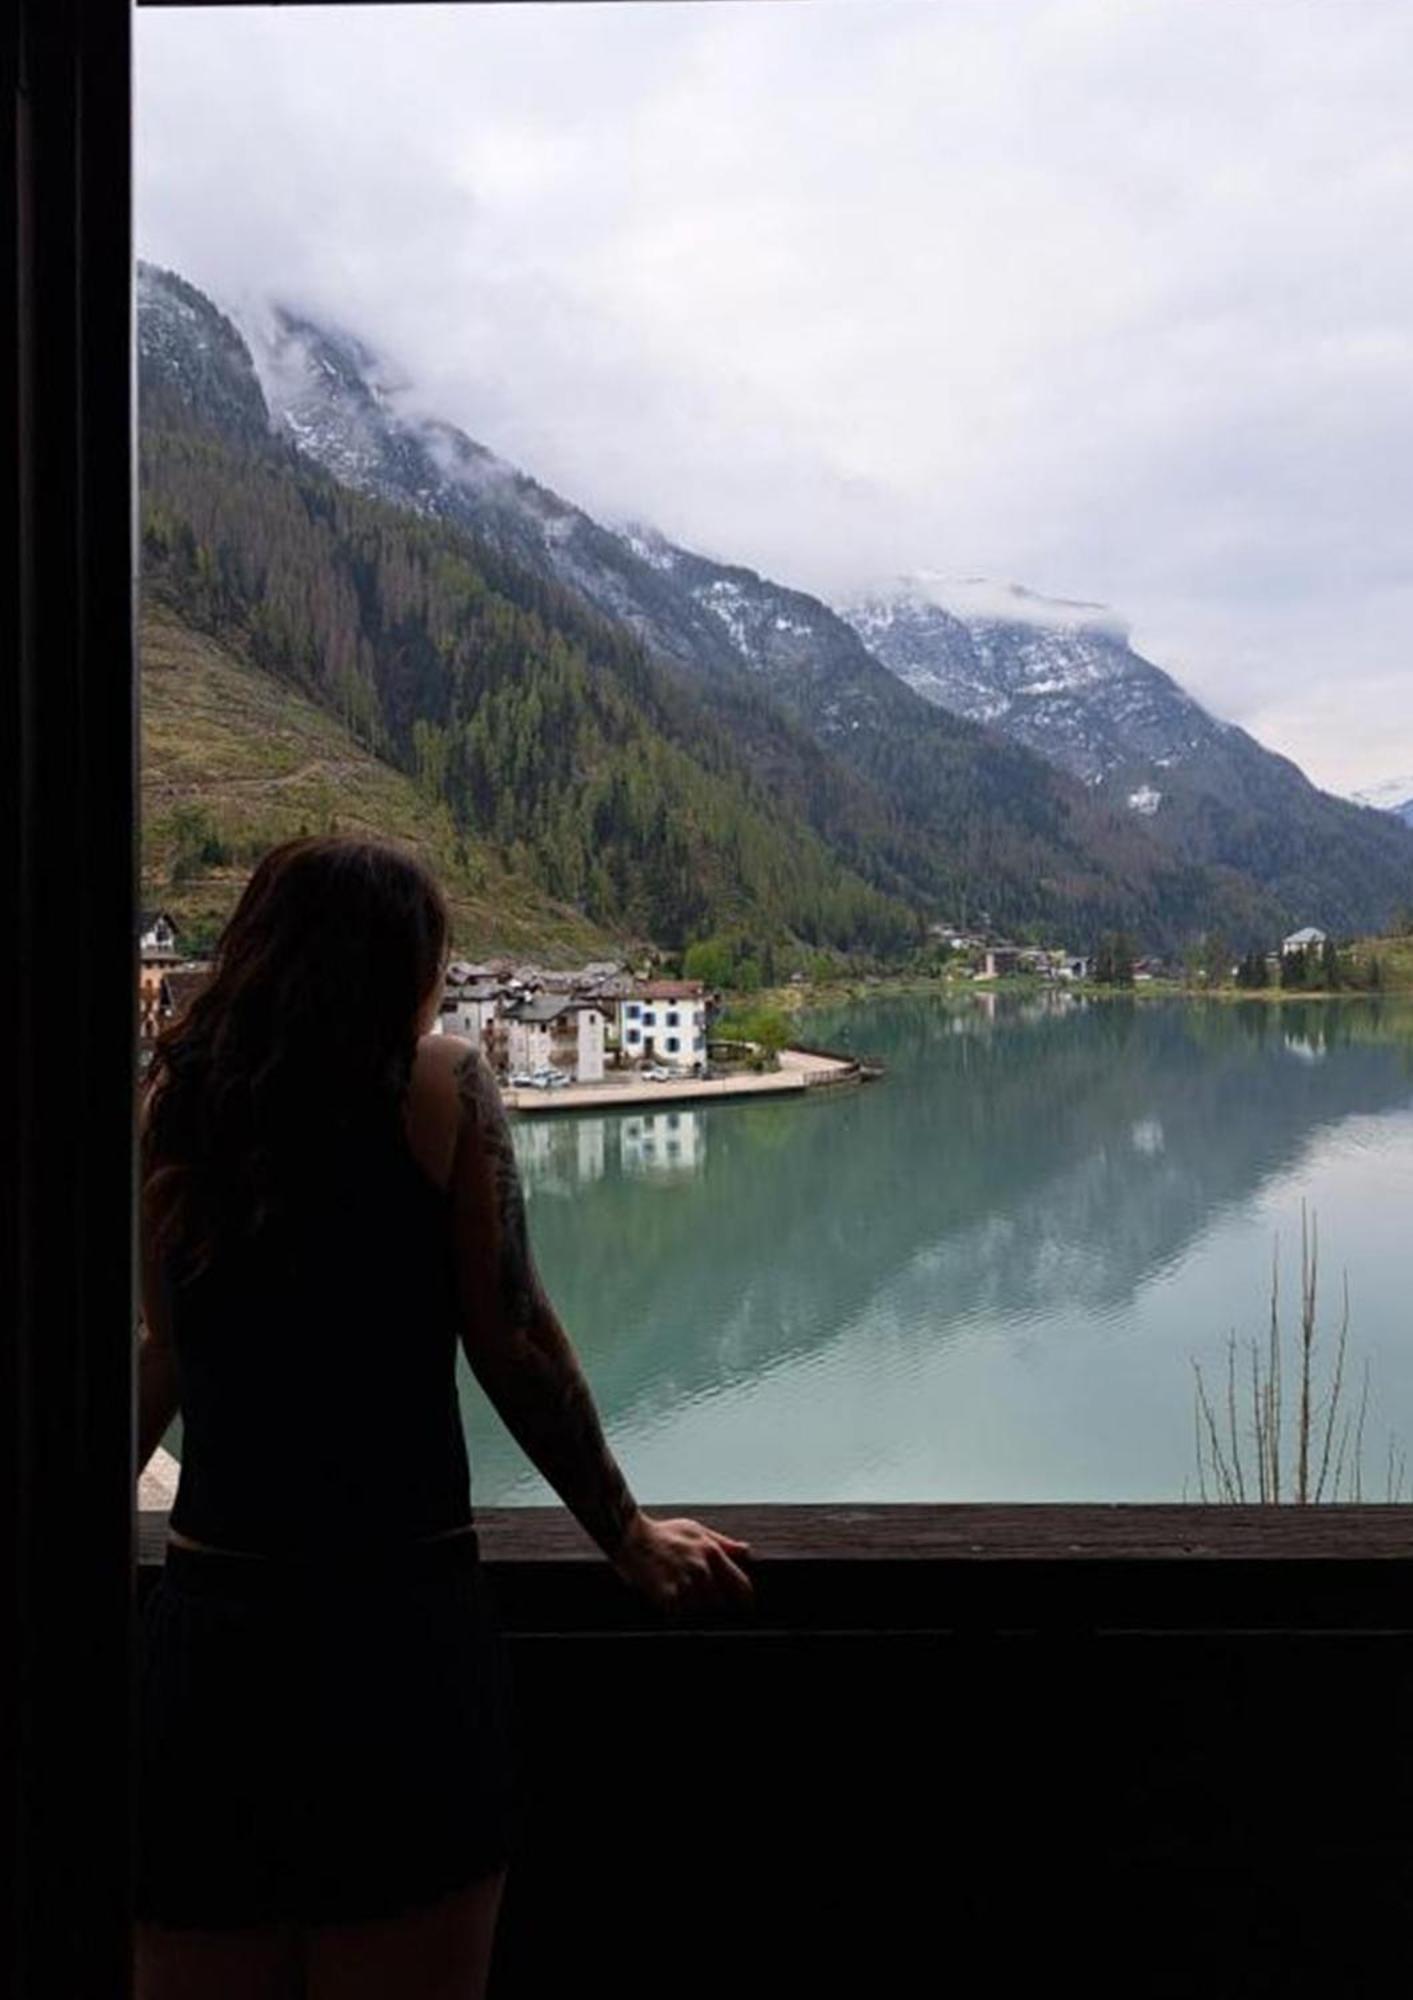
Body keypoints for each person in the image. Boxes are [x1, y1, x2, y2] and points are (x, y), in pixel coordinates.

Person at [134, 833, 755, 1998]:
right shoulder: (444, 1084)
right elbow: (512, 1336)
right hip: (395, 1626)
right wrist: (626, 1535)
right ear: (404, 965)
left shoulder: (174, 1101)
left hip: (215, 1631)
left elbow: (161, 1350)